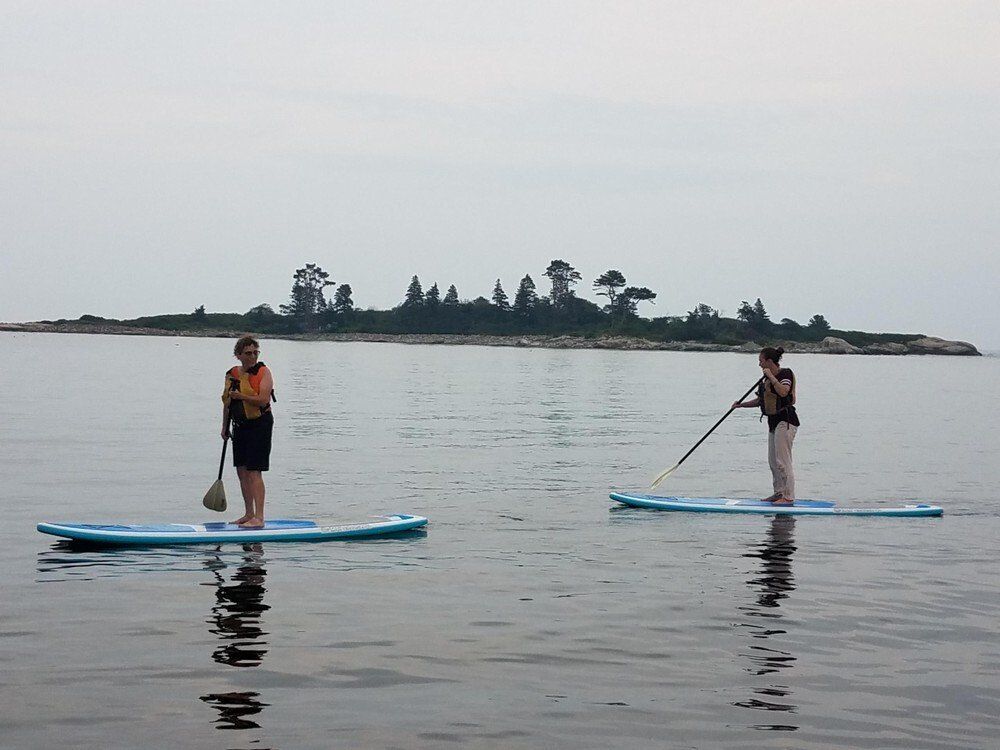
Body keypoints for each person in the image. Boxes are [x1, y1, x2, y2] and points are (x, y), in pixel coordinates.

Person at [732, 346, 800, 505]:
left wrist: (771, 376)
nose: (759, 365)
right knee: (773, 461)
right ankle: (779, 493)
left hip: (787, 420)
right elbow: (760, 401)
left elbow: (784, 392)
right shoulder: (764, 381)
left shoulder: (785, 374)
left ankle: (788, 497)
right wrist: (741, 405)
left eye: (761, 361)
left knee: (783, 461)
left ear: (769, 361)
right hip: (773, 423)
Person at [221, 336, 275, 528]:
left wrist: (241, 395)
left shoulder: (263, 372)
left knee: (254, 472)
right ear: (238, 355)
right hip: (239, 425)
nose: (252, 356)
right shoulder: (232, 374)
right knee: (242, 471)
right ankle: (248, 513)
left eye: (255, 352)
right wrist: (224, 427)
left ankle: (259, 518)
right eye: (248, 353)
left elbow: (262, 399)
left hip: (260, 424)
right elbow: (227, 403)